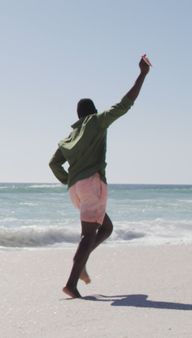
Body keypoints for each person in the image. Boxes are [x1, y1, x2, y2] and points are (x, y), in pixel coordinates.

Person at [49, 56, 151, 298]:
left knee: (105, 228)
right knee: (88, 234)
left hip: (75, 190)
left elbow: (53, 163)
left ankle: (81, 260)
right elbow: (125, 104)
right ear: (93, 112)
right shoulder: (97, 122)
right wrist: (143, 74)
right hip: (92, 185)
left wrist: (69, 179)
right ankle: (72, 282)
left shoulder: (68, 137)